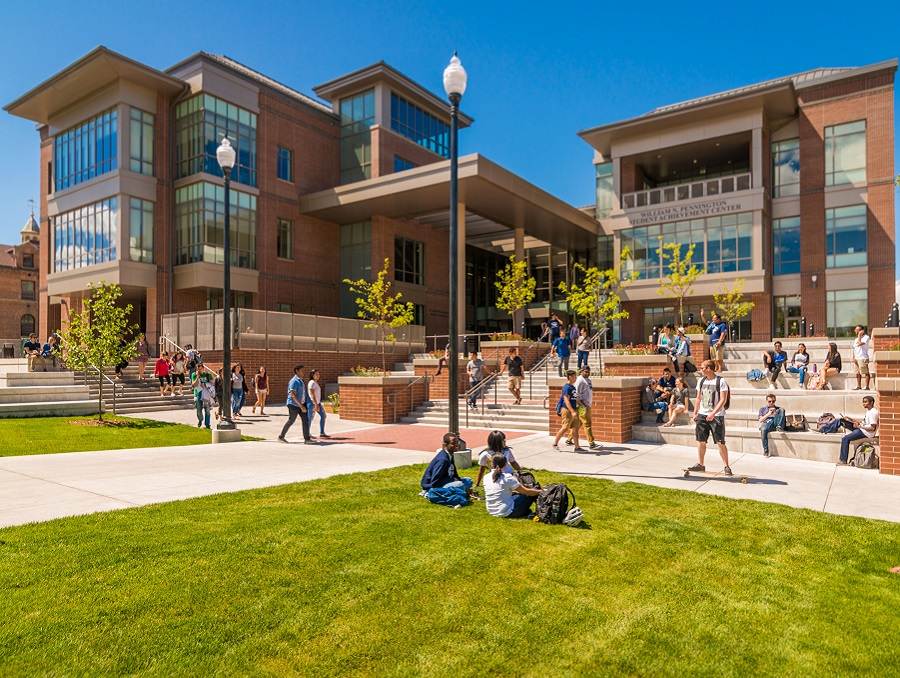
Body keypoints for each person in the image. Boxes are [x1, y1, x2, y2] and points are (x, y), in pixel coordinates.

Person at [688, 360, 732, 476]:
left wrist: (713, 413)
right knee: (701, 441)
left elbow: (723, 399)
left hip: (717, 416)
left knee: (720, 442)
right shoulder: (701, 381)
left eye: (702, 368)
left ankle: (726, 466)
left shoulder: (721, 381)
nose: (701, 370)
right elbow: (698, 398)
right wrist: (696, 412)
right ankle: (700, 464)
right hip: (702, 414)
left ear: (709, 369)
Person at [483, 453, 542, 518]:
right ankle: (543, 511)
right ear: (505, 464)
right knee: (534, 489)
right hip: (507, 512)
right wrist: (541, 491)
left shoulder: (486, 477)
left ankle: (527, 512)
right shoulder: (507, 477)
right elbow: (528, 492)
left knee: (516, 494)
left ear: (491, 464)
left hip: (492, 511)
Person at [566, 366, 602, 450]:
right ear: (581, 371)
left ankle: (569, 439)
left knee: (579, 423)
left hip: (587, 404)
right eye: (585, 371)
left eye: (588, 372)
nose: (587, 373)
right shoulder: (580, 380)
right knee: (587, 423)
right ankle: (592, 443)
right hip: (583, 405)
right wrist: (583, 405)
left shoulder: (588, 380)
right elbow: (576, 394)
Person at [837, 395, 878, 466]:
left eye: (865, 402)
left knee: (845, 438)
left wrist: (859, 427)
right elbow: (864, 423)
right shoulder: (869, 411)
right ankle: (825, 429)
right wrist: (851, 419)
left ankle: (843, 460)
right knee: (842, 421)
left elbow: (872, 428)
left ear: (871, 403)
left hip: (866, 432)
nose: (863, 404)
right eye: (863, 402)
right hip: (862, 428)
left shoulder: (873, 413)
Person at [279, 364, 314, 444]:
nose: (303, 372)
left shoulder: (301, 380)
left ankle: (307, 439)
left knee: (305, 420)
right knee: (291, 420)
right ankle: (281, 436)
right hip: (293, 405)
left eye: (303, 370)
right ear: (296, 371)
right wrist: (301, 406)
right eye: (302, 370)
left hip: (302, 404)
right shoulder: (294, 381)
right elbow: (293, 394)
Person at [552, 369, 582, 451]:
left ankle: (577, 447)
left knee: (575, 428)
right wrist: (572, 411)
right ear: (570, 377)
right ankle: (555, 444)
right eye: (575, 376)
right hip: (567, 410)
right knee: (565, 427)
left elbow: (574, 398)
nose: (576, 378)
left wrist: (581, 405)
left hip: (574, 409)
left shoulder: (572, 387)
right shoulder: (567, 387)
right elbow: (566, 400)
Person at [758, 393, 785, 457]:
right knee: (763, 429)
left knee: (782, 409)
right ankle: (766, 450)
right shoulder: (762, 409)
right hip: (767, 423)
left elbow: (781, 416)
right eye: (769, 401)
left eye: (773, 401)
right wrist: (768, 414)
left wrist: (776, 414)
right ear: (766, 401)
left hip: (776, 423)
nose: (771, 403)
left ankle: (779, 426)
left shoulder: (778, 409)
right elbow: (760, 420)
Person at [190, 362, 215, 429]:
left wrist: (205, 383)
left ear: (203, 369)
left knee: (207, 409)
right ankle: (200, 419)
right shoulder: (194, 375)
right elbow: (194, 385)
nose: (199, 371)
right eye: (198, 369)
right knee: (199, 409)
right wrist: (197, 377)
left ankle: (207, 424)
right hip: (198, 393)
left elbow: (212, 382)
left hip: (206, 394)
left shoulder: (207, 374)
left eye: (201, 369)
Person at [307, 368, 330, 439]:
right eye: (316, 374)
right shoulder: (312, 383)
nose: (318, 375)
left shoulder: (316, 383)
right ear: (312, 375)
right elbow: (312, 394)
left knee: (323, 416)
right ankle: (307, 433)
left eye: (318, 374)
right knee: (310, 418)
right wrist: (315, 404)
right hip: (312, 403)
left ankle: (322, 432)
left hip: (318, 403)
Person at [852, 325, 871, 391]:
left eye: (857, 330)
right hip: (857, 357)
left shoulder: (866, 337)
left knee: (866, 372)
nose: (856, 331)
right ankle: (859, 386)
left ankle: (867, 386)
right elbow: (854, 348)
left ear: (862, 330)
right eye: (855, 329)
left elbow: (860, 344)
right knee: (857, 373)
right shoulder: (856, 339)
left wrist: (859, 336)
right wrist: (853, 357)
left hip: (863, 357)